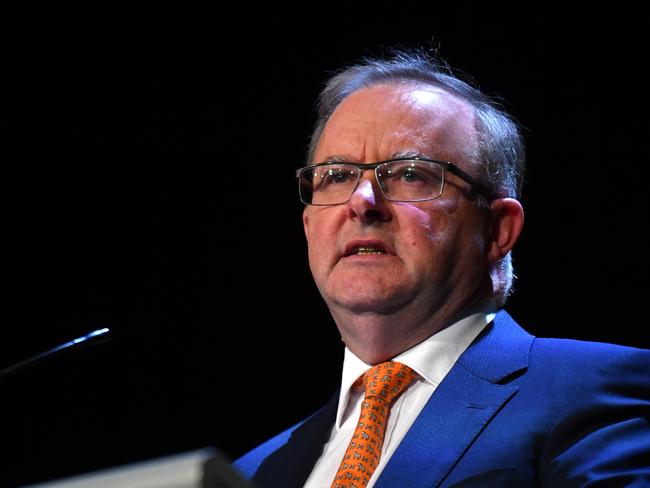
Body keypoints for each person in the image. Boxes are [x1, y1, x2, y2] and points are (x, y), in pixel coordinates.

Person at [233, 49, 650, 487]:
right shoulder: (252, 474)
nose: (362, 203)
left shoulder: (591, 392)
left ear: (497, 229)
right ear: (308, 226)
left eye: (411, 173)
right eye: (337, 176)